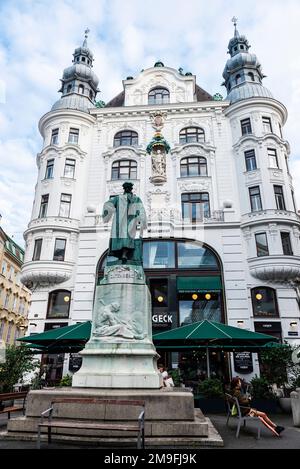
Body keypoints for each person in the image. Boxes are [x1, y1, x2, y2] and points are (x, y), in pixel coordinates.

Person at [102, 182, 147, 264]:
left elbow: (141, 209)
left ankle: (124, 255)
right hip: (121, 222)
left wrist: (142, 219)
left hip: (129, 221)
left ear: (130, 189)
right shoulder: (119, 198)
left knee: (127, 238)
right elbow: (108, 204)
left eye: (128, 188)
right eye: (126, 188)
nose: (127, 189)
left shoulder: (135, 199)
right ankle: (122, 255)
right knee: (123, 238)